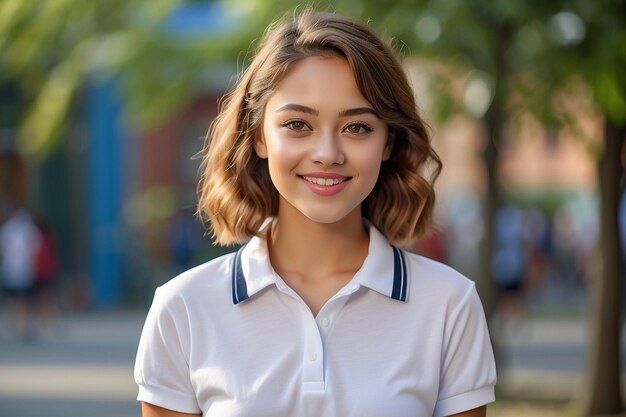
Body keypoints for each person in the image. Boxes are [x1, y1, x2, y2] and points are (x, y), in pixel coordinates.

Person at [135, 9, 496, 417]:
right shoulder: (183, 308)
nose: (327, 153)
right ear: (258, 137)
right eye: (298, 124)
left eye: (357, 127)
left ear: (389, 143)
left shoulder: (449, 304)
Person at [0, 207, 42, 341]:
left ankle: (16, 325)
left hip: (14, 270)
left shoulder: (7, 230)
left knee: (14, 300)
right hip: (23, 270)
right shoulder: (29, 230)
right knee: (24, 300)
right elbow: (36, 251)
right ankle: (22, 325)